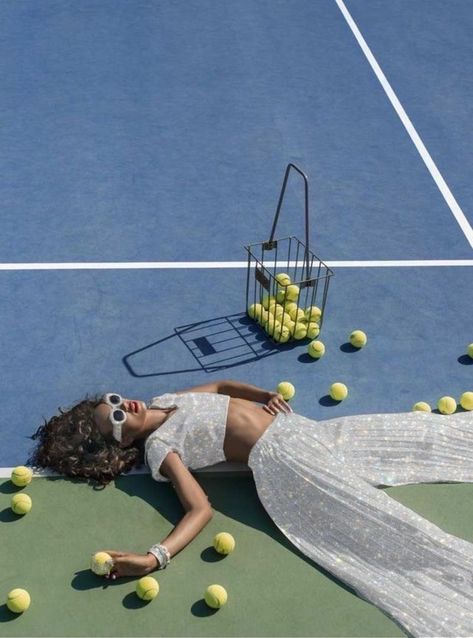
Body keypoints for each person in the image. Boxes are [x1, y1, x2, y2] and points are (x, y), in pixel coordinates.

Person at [29, 379, 473, 638]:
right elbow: (199, 508)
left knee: (420, 437)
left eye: (111, 402)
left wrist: (265, 396)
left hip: (300, 431)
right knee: (386, 526)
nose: (121, 406)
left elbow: (222, 387)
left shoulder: (167, 398)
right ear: (122, 443)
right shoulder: (160, 449)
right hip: (288, 464)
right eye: (117, 420)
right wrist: (152, 558)